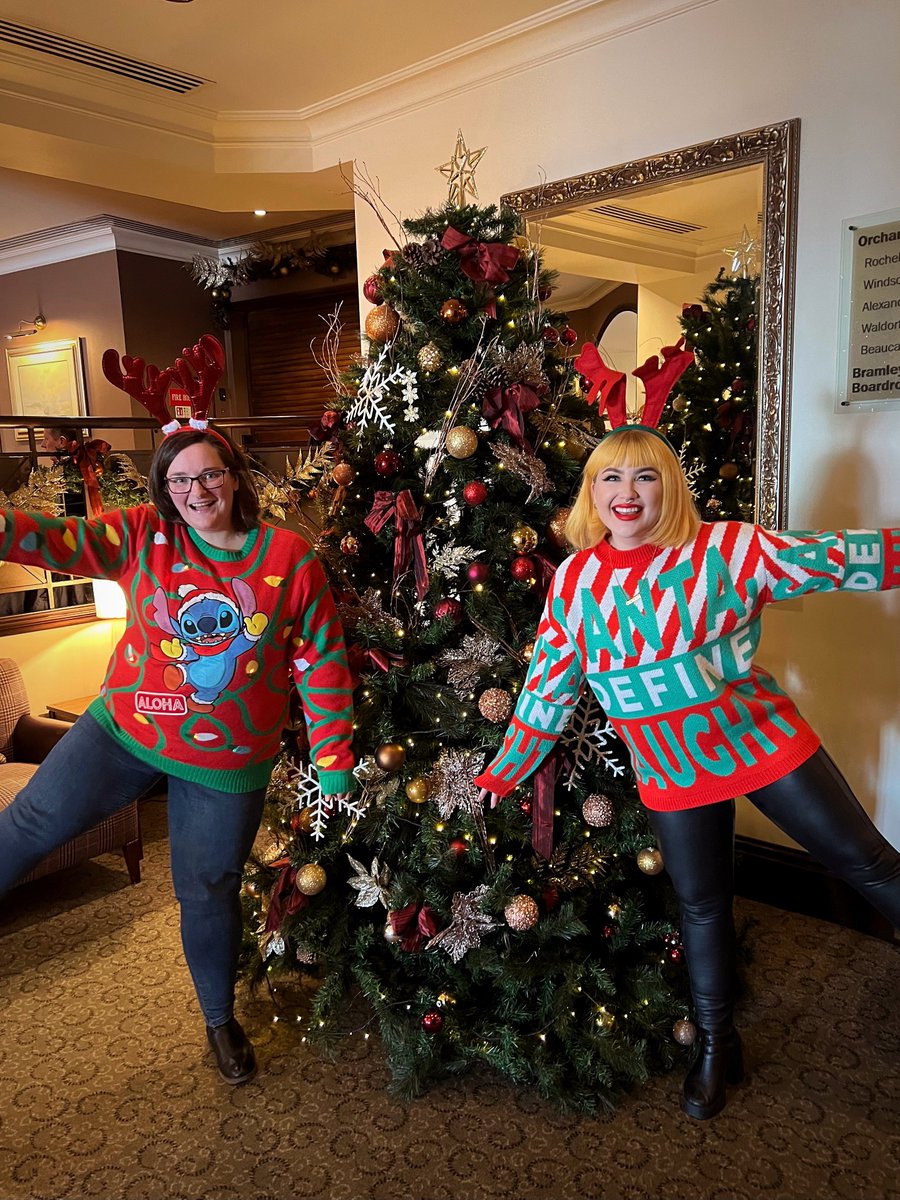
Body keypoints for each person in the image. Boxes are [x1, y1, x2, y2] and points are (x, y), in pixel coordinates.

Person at [476, 422, 900, 1120]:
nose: (627, 492)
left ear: (668, 487)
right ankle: (715, 1045)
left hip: (762, 741)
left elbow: (833, 558)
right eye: (609, 478)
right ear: (591, 494)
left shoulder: (726, 549)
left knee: (868, 863)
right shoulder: (577, 581)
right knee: (702, 905)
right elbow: (549, 687)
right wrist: (507, 769)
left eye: (645, 476)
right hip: (672, 767)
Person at [0, 419, 356, 1086]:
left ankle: (219, 1021)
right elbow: (55, 540)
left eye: (210, 473)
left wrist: (334, 764)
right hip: (123, 730)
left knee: (206, 892)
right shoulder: (144, 535)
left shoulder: (287, 559)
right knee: (27, 824)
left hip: (229, 762)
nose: (197, 489)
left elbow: (322, 665)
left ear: (234, 477)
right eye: (180, 479)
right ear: (166, 488)